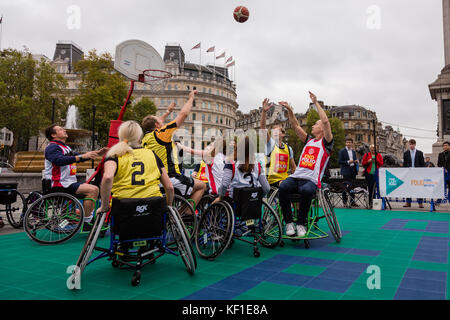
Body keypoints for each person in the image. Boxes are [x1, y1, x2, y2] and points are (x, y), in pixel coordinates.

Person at [278, 92, 334, 237]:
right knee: (283, 186)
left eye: (316, 124)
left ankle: (301, 223)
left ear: (321, 129)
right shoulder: (309, 140)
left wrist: (316, 103)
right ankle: (289, 222)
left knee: (307, 191)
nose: (313, 126)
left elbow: (326, 122)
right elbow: (295, 126)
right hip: (297, 176)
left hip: (311, 180)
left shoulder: (326, 143)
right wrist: (290, 110)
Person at [96, 120, 174, 216]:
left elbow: (108, 177)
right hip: (152, 208)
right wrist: (168, 206)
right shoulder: (152, 154)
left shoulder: (114, 155)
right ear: (139, 137)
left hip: (124, 208)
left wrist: (104, 205)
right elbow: (169, 187)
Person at [141, 90, 206, 206]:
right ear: (157, 125)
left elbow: (154, 122)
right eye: (159, 120)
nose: (162, 120)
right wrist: (191, 98)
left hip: (153, 181)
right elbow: (183, 115)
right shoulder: (162, 133)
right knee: (202, 186)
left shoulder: (144, 139)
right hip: (171, 178)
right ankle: (185, 214)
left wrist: (168, 111)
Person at [44, 124, 108, 229]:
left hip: (67, 183)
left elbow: (80, 157)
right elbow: (58, 160)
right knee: (93, 190)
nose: (64, 130)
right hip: (59, 184)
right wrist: (80, 157)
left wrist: (98, 153)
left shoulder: (65, 147)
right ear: (53, 135)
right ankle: (87, 221)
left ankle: (85, 216)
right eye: (60, 129)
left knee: (94, 189)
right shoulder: (52, 147)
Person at [213, 136, 271, 204]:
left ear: (238, 148)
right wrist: (258, 197)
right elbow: (267, 188)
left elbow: (224, 185)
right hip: (252, 201)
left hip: (235, 201)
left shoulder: (231, 163)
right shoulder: (257, 165)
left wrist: (220, 197)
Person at [260, 98, 296, 187]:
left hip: (285, 180)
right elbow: (263, 128)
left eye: (277, 131)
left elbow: (293, 167)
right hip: (272, 181)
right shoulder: (270, 144)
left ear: (283, 134)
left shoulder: (288, 148)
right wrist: (264, 112)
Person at [403, 139, 425, 208]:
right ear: (409, 145)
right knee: (408, 187)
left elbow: (422, 164)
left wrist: (421, 172)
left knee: (419, 188)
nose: (411, 146)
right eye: (410, 144)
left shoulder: (420, 153)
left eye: (412, 144)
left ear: (415, 144)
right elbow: (404, 164)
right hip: (409, 173)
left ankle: (420, 203)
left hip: (417, 173)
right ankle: (408, 202)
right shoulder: (406, 153)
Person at [338, 138, 359, 207]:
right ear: (345, 143)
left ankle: (352, 202)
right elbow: (339, 161)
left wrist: (356, 161)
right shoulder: (342, 151)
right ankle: (345, 202)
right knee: (345, 186)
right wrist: (347, 162)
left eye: (350, 142)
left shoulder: (353, 151)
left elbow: (355, 159)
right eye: (347, 142)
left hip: (353, 170)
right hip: (346, 170)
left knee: (352, 186)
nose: (348, 144)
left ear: (352, 143)